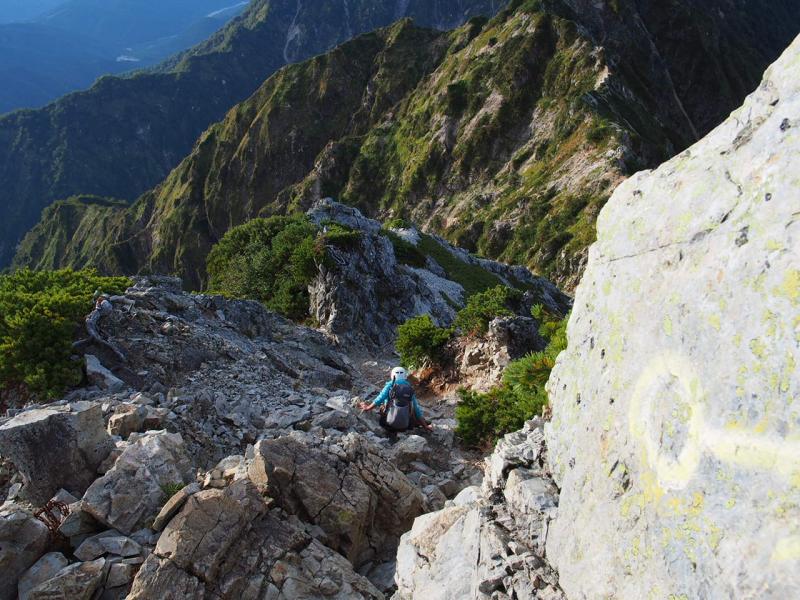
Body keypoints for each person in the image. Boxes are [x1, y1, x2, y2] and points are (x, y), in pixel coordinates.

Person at [360, 367, 433, 432]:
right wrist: (425, 426)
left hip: (388, 423)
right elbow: (416, 409)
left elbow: (380, 399)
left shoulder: (390, 385)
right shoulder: (409, 388)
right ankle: (420, 422)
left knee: (382, 405)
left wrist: (368, 408)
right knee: (411, 407)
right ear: (405, 376)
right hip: (405, 426)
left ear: (392, 375)